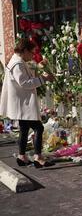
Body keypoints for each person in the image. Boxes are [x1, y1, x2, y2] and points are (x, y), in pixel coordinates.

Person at [0, 38, 55, 168]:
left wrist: (38, 65)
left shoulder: (17, 61)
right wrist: (44, 79)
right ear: (24, 51)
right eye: (31, 52)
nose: (32, 56)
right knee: (38, 128)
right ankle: (38, 157)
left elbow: (28, 70)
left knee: (24, 129)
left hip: (21, 102)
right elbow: (25, 83)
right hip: (23, 102)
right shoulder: (17, 64)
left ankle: (22, 156)